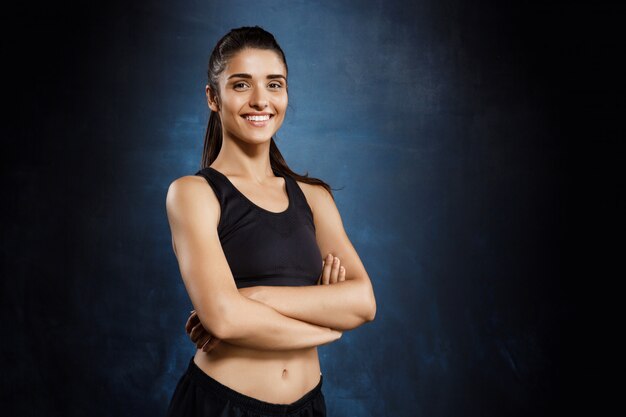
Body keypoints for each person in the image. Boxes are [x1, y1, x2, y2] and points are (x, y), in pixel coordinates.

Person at [165, 26, 376, 417]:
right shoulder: (193, 193)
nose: (261, 100)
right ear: (213, 97)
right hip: (222, 406)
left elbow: (362, 301)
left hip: (308, 407)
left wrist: (255, 298)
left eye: (274, 84)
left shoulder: (314, 197)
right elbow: (224, 320)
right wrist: (324, 328)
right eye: (241, 85)